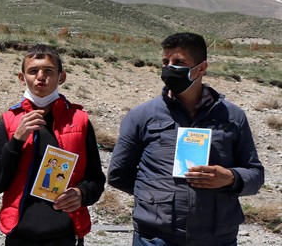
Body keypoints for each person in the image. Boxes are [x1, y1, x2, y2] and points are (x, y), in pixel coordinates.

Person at [108, 32, 264, 246]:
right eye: (165, 61)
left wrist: (230, 178)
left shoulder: (233, 117)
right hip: (156, 237)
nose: (169, 68)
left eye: (178, 62)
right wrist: (154, 196)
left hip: (217, 238)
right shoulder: (141, 116)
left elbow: (255, 174)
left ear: (201, 68)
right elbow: (118, 174)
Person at [0, 44, 105, 246]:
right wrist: (17, 139)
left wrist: (81, 194)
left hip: (65, 236)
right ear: (22, 77)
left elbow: (96, 179)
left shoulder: (81, 121)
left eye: (48, 71)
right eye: (33, 71)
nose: (40, 76)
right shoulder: (8, 121)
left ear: (62, 77)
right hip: (19, 235)